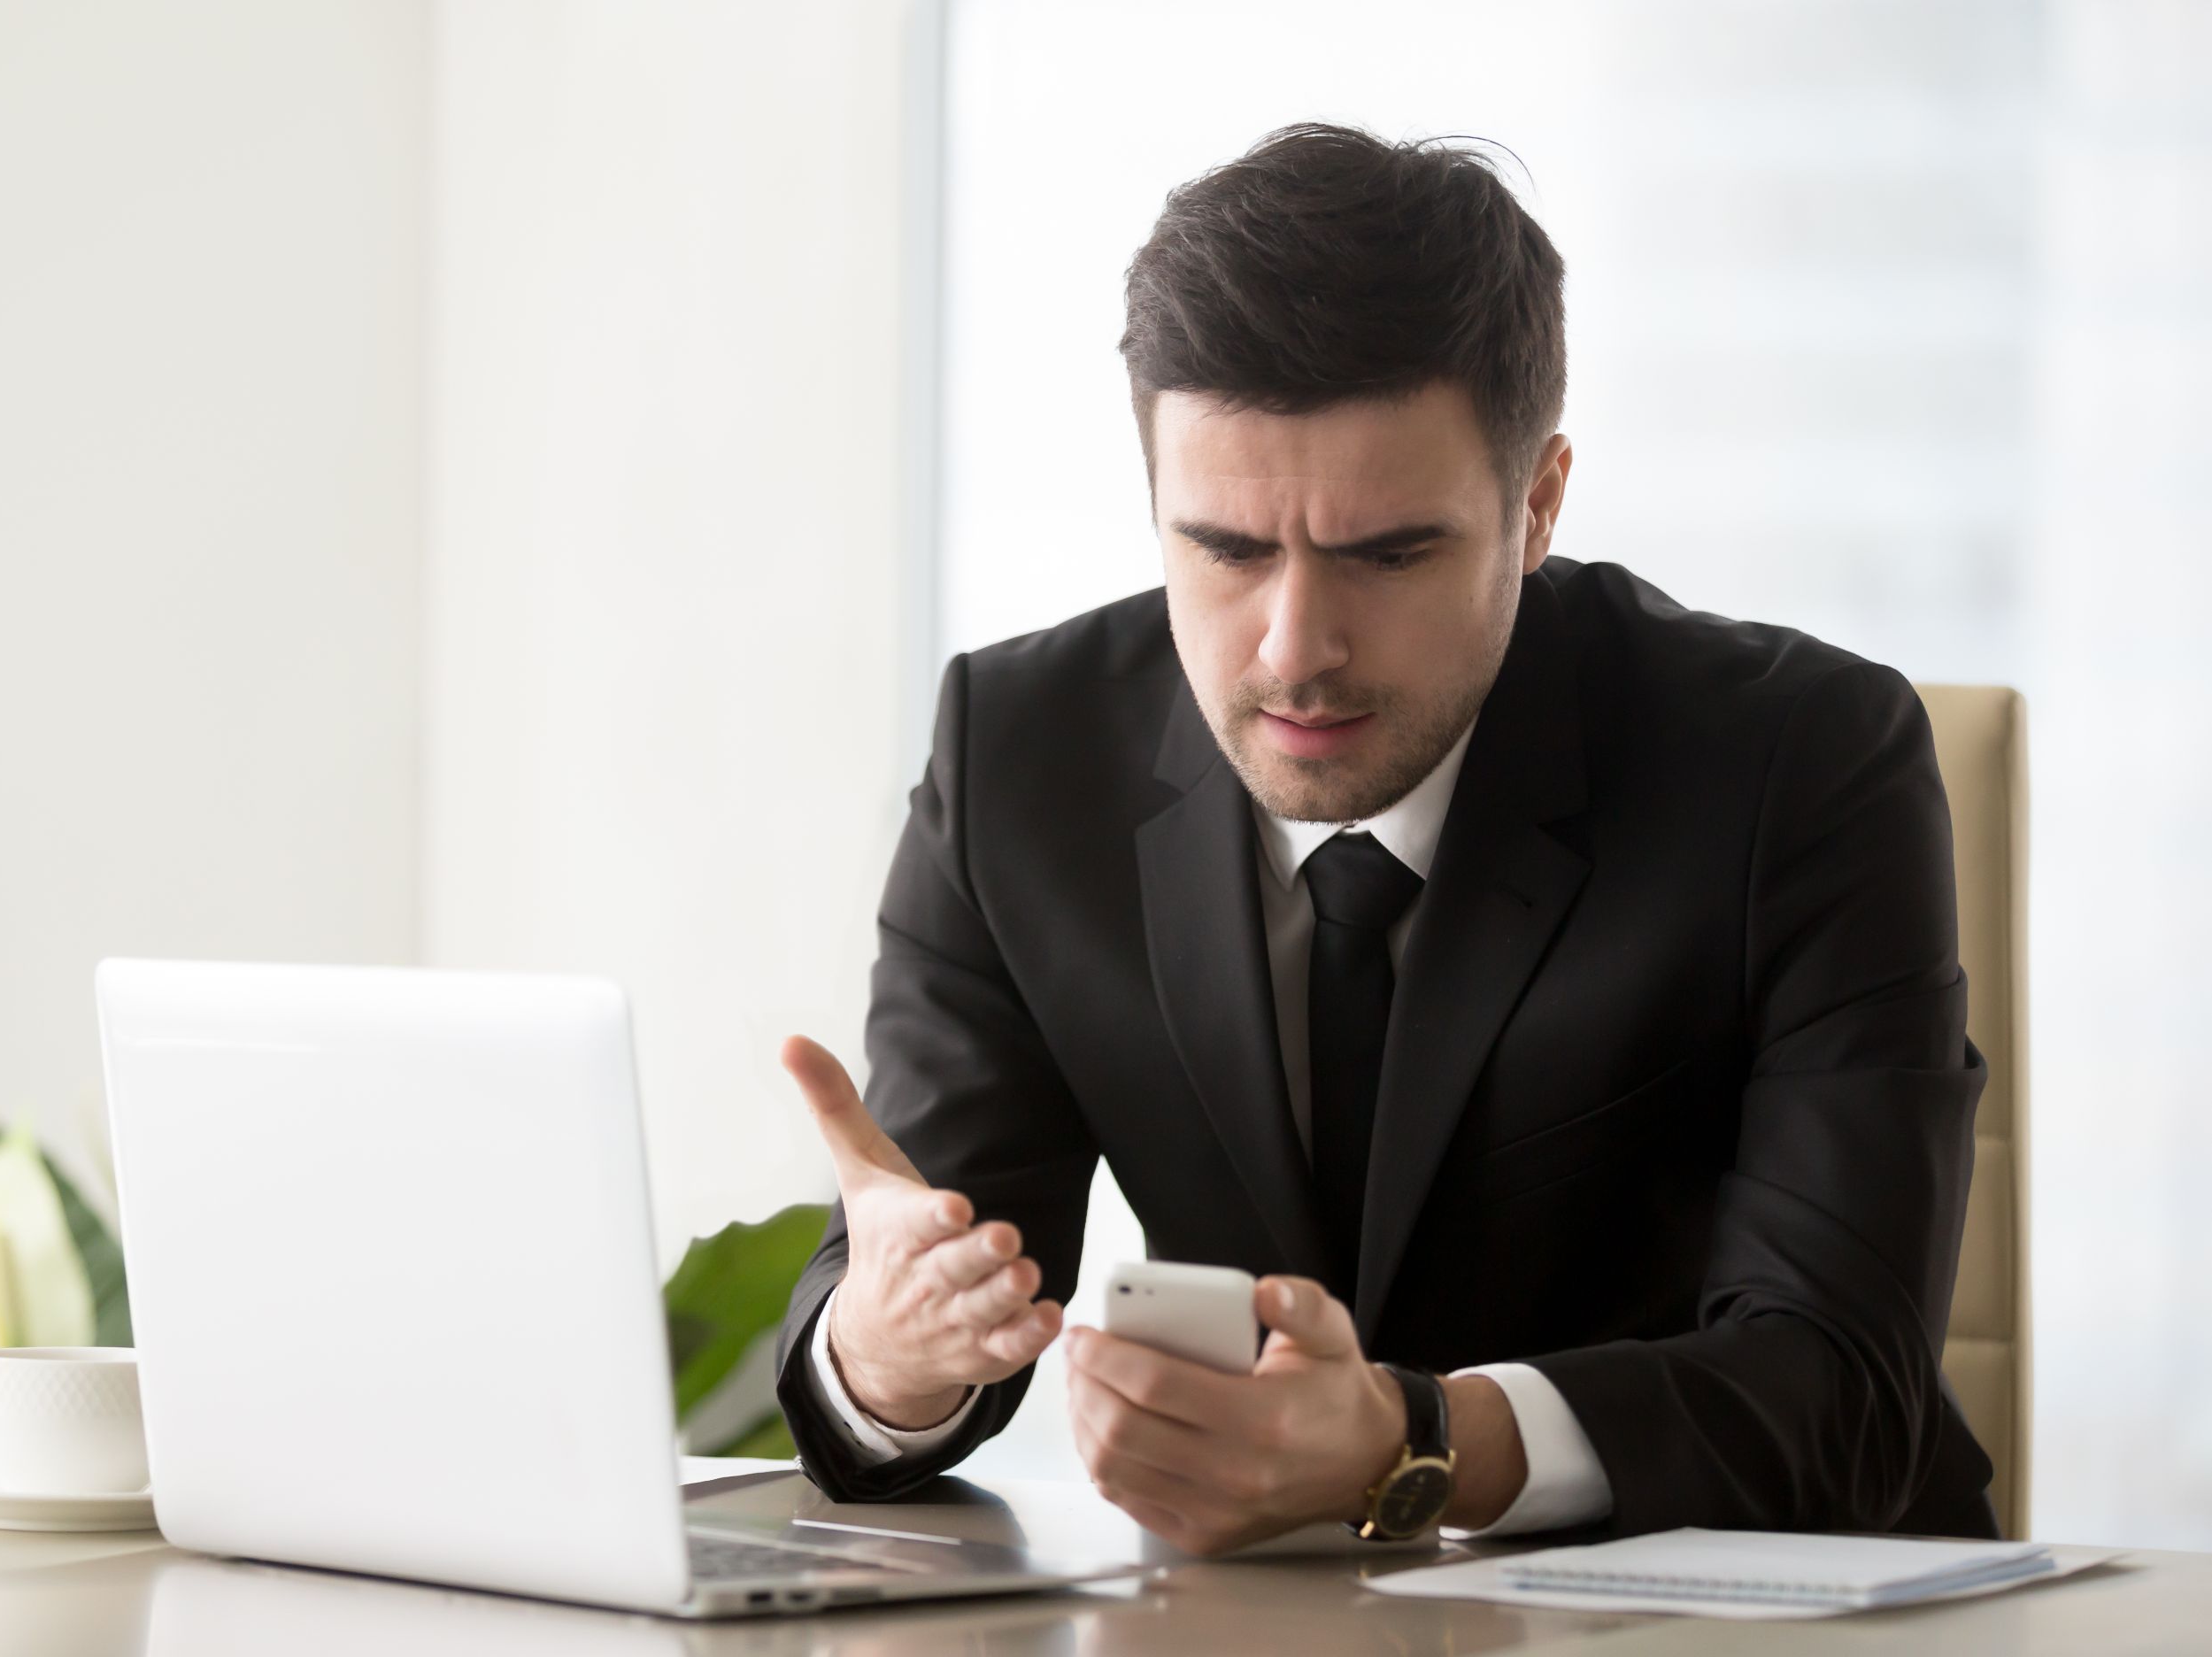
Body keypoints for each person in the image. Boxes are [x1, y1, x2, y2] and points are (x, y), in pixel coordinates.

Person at [772, 122, 1994, 1553]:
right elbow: (939, 1291)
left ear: (1534, 504)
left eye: (1388, 555)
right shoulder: (1018, 755)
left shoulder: (1802, 762)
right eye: (1224, 550)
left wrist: (1417, 1444)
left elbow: (1840, 1390)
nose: (1294, 652)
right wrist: (891, 1355)